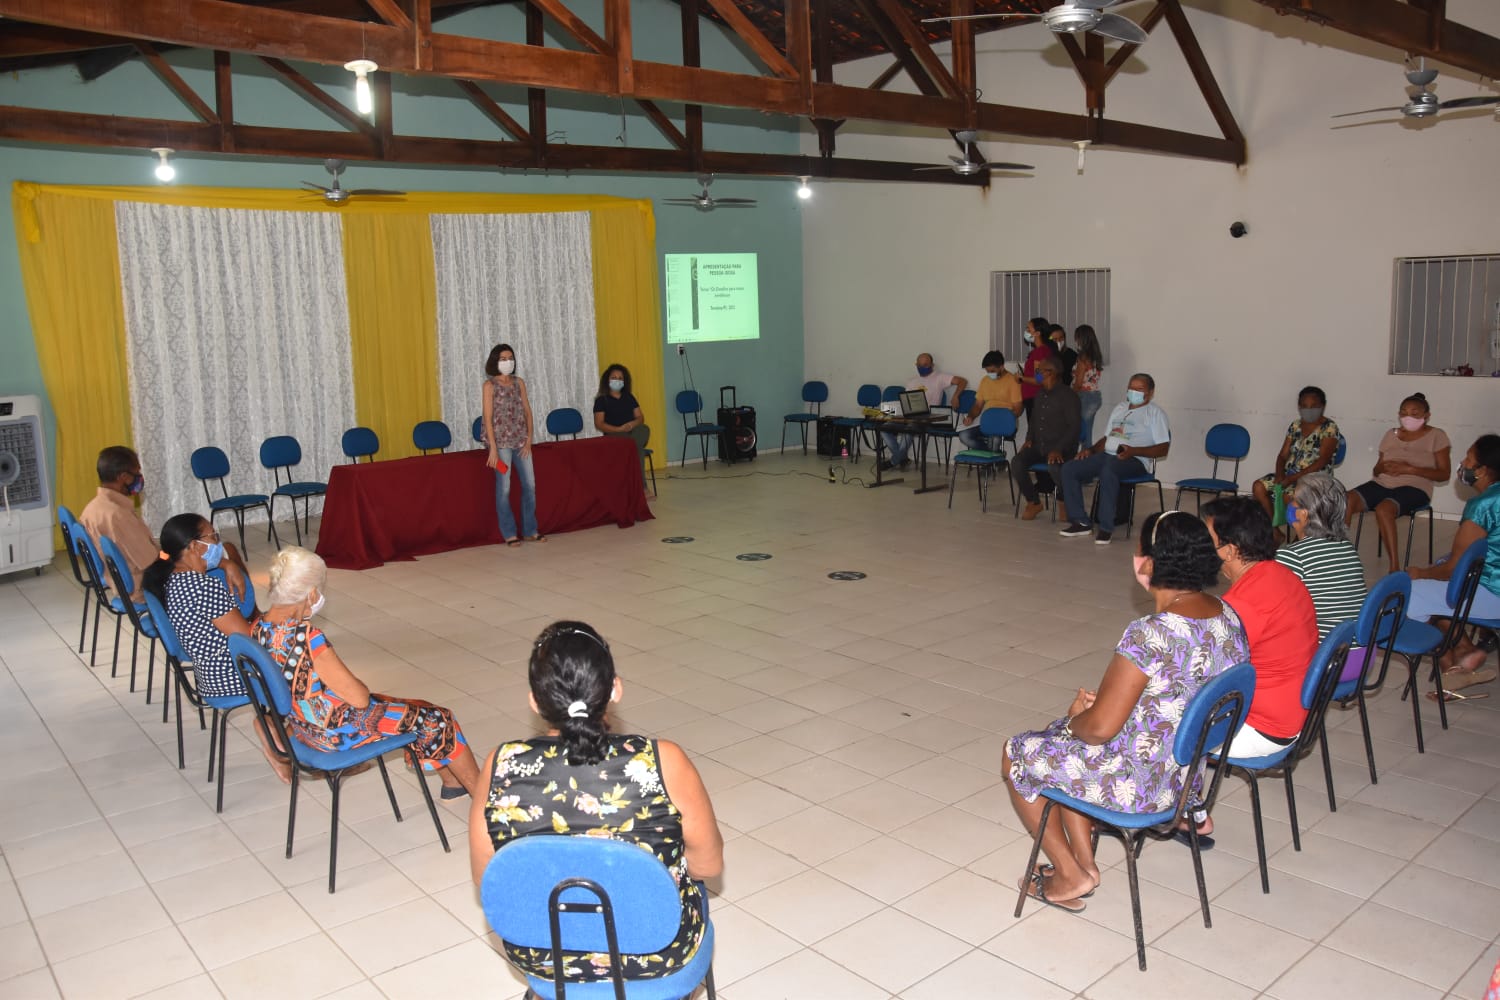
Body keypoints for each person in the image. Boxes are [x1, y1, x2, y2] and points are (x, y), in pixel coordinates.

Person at [1003, 511, 1247, 911]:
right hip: (1184, 779)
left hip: (1139, 787)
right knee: (1065, 740)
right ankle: (1085, 864)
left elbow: (1098, 730)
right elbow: (1180, 694)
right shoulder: (1228, 617)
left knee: (1020, 752)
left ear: (1151, 562)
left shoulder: (1150, 633)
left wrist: (1073, 720)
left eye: (1138, 551)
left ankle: (1069, 874)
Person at [469, 621, 724, 984]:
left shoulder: (500, 764)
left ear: (534, 699)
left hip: (545, 955)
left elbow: (487, 877)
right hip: (657, 951)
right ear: (615, 688)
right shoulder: (663, 761)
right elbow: (708, 865)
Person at [252, 546, 482, 799]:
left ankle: (453, 783)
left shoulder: (258, 629)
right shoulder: (308, 638)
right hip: (334, 734)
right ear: (311, 593)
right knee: (438, 718)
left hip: (303, 727)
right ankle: (485, 800)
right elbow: (359, 698)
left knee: (416, 707)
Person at [141, 513, 283, 778]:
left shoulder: (173, 579)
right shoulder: (204, 587)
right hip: (232, 674)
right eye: (213, 536)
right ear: (194, 546)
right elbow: (246, 639)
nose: (218, 542)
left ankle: (275, 729)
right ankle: (297, 744)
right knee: (302, 658)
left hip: (208, 674)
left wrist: (227, 563)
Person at [1202, 496, 1319, 758]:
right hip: (1292, 711)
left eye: (1207, 539)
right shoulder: (1283, 575)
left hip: (1262, 728)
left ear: (1230, 551)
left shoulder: (1243, 604)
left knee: (1156, 730)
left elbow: (1201, 673)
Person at [79, 446, 246, 603]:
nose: (139, 477)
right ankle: (251, 614)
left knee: (199, 550)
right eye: (136, 472)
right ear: (123, 477)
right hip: (146, 586)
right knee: (228, 551)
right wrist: (212, 561)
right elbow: (153, 560)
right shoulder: (118, 515)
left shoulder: (92, 508)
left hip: (123, 581)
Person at [1406, 434, 1500, 680]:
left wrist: (1420, 574)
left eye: (1469, 459)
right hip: (1492, 586)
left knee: (1412, 592)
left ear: (1483, 470)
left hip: (1493, 595)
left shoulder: (1483, 505)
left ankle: (1453, 666)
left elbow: (1454, 569)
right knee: (1438, 584)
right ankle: (1463, 650)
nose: (1463, 464)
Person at [1058, 373, 1171, 545]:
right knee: (1070, 468)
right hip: (1107, 455)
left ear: (1150, 392)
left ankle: (1106, 527)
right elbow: (1108, 437)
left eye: (1139, 389)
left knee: (1108, 470)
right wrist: (1091, 450)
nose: (1134, 392)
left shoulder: (1155, 414)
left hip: (1135, 460)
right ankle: (1080, 522)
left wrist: (1134, 451)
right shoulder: (1119, 408)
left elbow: (1163, 448)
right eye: (1131, 388)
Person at [1346, 393, 1452, 574]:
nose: (1407, 417)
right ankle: (1339, 553)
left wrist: (1410, 469)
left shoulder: (1437, 436)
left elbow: (1444, 474)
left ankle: (1394, 566)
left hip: (1415, 487)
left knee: (1384, 509)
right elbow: (1376, 469)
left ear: (1426, 416)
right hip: (1383, 482)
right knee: (1346, 499)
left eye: (1414, 413)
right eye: (1403, 413)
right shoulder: (1391, 434)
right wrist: (1383, 467)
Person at [1277, 473, 1367, 639]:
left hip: (1325, 657)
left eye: (1294, 499)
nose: (1290, 503)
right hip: (1360, 653)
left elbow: (1267, 607)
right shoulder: (1347, 547)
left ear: (1303, 514)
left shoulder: (1292, 556)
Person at [482, 343, 543, 546]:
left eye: (510, 358)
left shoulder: (519, 383)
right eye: (503, 358)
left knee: (530, 485)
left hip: (520, 440)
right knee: (505, 487)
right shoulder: (489, 385)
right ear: (495, 362)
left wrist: (529, 440)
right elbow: (488, 418)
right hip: (500, 444)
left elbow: (527, 411)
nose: (508, 362)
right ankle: (509, 533)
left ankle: (530, 530)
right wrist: (492, 448)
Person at [1250, 386, 1340, 522]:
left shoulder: (1329, 427)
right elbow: (1282, 455)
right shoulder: (1295, 425)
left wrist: (1291, 479)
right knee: (1258, 487)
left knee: (1291, 497)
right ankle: (1274, 533)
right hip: (1290, 476)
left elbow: (1323, 460)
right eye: (1304, 406)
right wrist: (1280, 474)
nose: (1309, 410)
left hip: (1316, 480)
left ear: (1323, 406)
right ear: (1299, 406)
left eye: (1314, 406)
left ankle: (1302, 539)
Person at [1014, 357, 1081, 520]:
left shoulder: (1068, 396)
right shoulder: (1040, 394)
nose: (1036, 374)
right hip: (1040, 445)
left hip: (1062, 448)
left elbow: (1074, 427)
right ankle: (1034, 502)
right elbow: (1034, 420)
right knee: (1017, 462)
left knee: (1055, 468)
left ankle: (1064, 502)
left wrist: (1058, 449)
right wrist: (1029, 438)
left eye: (1039, 371)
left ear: (1051, 373)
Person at [880, 352, 967, 471]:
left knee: (909, 429)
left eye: (925, 365)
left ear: (932, 365)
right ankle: (901, 458)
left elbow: (962, 381)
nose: (922, 368)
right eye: (919, 365)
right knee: (884, 428)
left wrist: (956, 396)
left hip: (928, 417)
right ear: (916, 365)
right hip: (910, 415)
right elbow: (906, 401)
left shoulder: (939, 377)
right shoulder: (912, 381)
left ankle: (894, 461)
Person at [957, 350, 1023, 451]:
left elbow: (1018, 410)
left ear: (1001, 366)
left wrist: (1001, 419)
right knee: (964, 436)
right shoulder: (985, 381)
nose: (989, 374)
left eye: (992, 371)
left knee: (995, 438)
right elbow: (977, 406)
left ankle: (992, 461)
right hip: (987, 421)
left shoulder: (1012, 381)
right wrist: (970, 417)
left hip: (1005, 422)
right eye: (987, 371)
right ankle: (991, 457)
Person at [592, 363, 650, 457]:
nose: (617, 380)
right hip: (613, 434)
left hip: (631, 431)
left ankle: (630, 446)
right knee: (637, 450)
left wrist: (631, 425)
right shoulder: (601, 400)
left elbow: (640, 417)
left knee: (644, 429)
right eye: (614, 378)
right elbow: (599, 424)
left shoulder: (629, 397)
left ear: (624, 381)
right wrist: (618, 429)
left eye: (620, 378)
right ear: (607, 380)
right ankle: (632, 448)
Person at [1070, 324, 1104, 446]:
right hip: (1094, 396)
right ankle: (1086, 458)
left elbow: (1078, 383)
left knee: (1084, 433)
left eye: (1076, 338)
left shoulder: (1082, 357)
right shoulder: (1095, 356)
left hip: (1084, 396)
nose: (1075, 341)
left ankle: (1085, 460)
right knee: (1086, 430)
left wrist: (1070, 395)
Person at [1020, 316, 1055, 427]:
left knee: (1036, 435)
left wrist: (1021, 378)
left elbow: (1039, 379)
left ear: (1037, 333)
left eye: (1028, 329)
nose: (1026, 331)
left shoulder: (1040, 352)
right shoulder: (1038, 351)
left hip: (1036, 399)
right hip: (1032, 398)